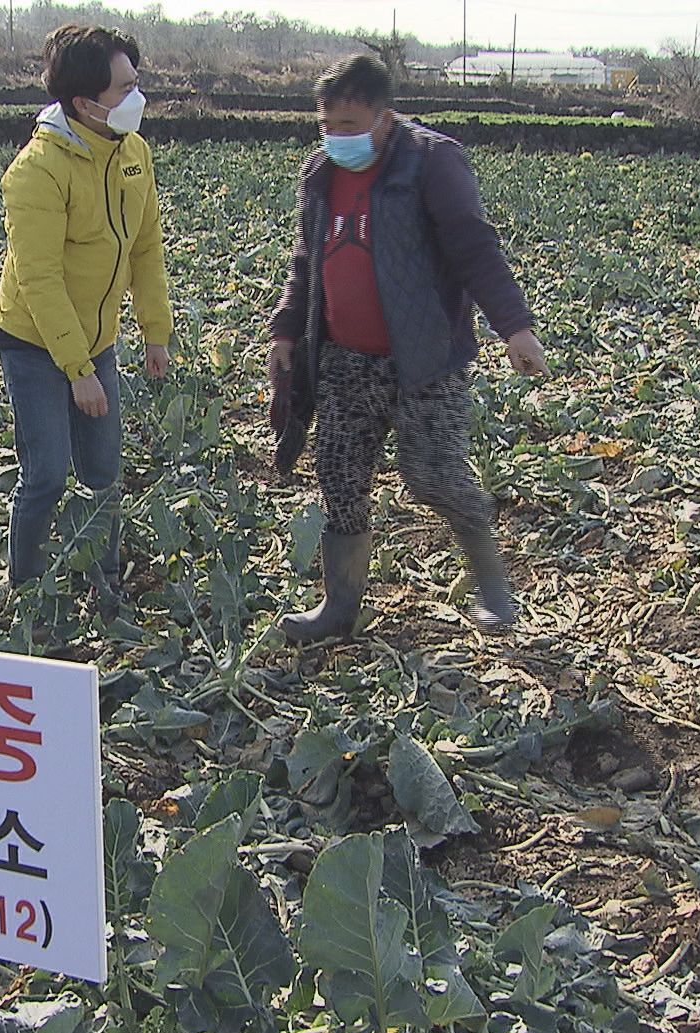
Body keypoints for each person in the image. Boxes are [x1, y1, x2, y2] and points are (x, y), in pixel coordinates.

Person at [267, 55, 548, 641]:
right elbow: (306, 263)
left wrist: (514, 326)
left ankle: (492, 583)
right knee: (339, 477)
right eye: (328, 125)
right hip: (345, 356)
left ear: (385, 118)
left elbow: (474, 247)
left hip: (424, 356)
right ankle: (338, 607)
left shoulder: (431, 163)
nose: (338, 138)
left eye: (351, 125)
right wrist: (287, 330)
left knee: (432, 475)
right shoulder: (321, 172)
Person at [0, 23, 173, 610]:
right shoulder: (36, 171)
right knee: (46, 472)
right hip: (35, 341)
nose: (135, 98)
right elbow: (39, 280)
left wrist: (155, 333)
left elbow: (146, 248)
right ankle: (25, 589)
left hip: (99, 338)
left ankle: (104, 582)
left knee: (102, 472)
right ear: (84, 103)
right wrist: (78, 369)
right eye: (124, 89)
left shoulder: (133, 154)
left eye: (135, 83)